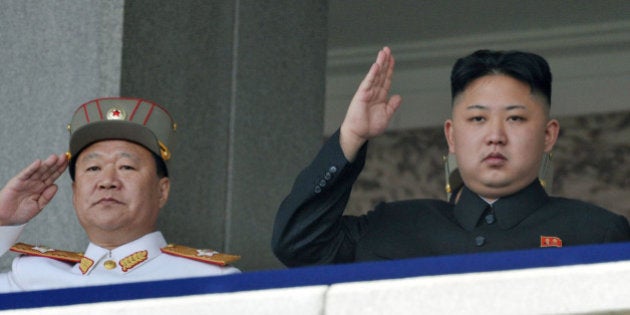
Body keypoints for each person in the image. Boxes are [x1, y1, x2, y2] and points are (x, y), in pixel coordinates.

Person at [271, 47, 630, 267]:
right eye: (477, 119)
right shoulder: (391, 226)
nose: (495, 135)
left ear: (549, 135)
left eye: (515, 118)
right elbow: (298, 243)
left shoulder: (597, 233)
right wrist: (352, 135)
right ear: (451, 135)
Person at [0, 97, 240, 292]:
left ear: (162, 190)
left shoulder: (209, 281)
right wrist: (4, 221)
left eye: (126, 167)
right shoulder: (30, 278)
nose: (107, 182)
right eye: (93, 169)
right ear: (74, 192)